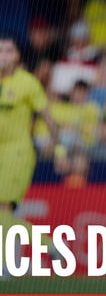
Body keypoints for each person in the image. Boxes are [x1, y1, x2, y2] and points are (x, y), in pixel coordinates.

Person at [0, 36, 60, 274]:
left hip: (18, 152)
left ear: (17, 55)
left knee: (3, 208)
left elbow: (48, 119)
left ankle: (7, 265)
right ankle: (50, 245)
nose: (3, 55)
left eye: (8, 50)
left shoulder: (28, 83)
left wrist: (59, 150)